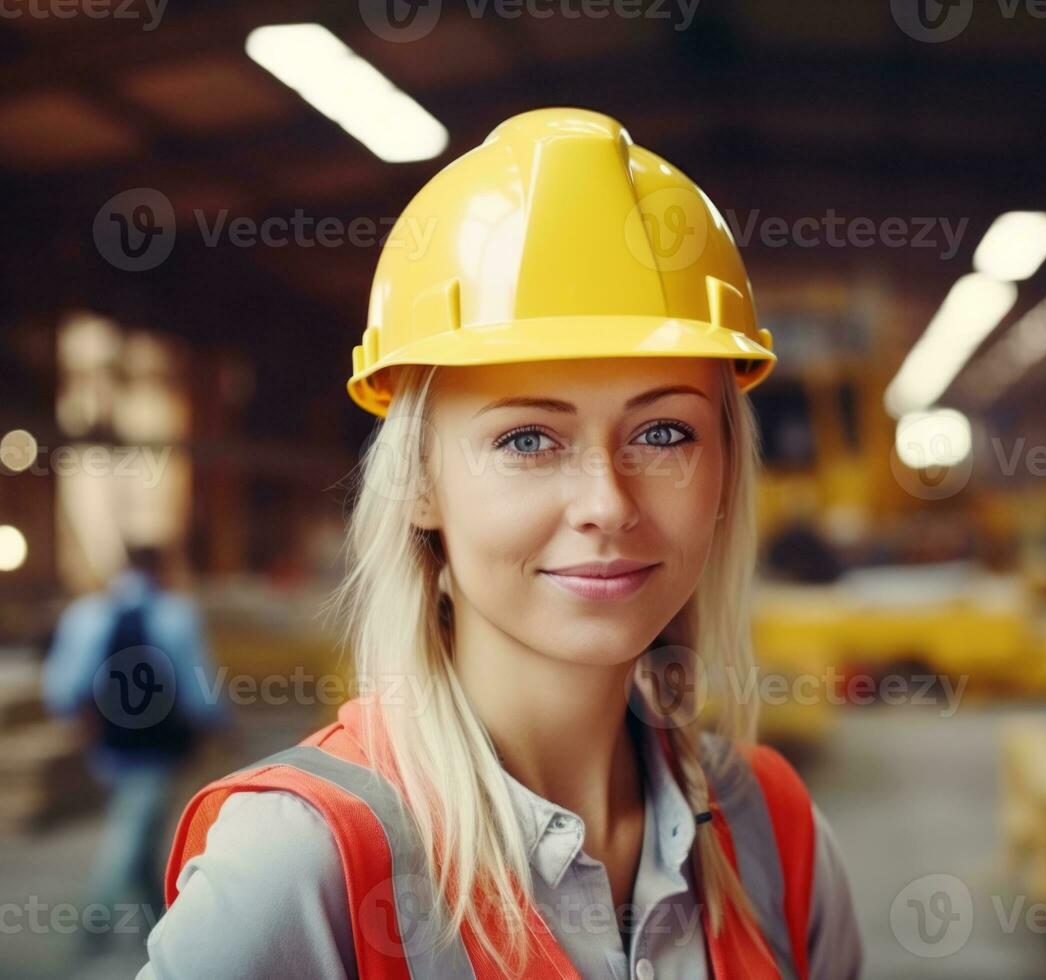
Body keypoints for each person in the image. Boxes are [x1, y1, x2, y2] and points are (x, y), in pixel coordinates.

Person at [137, 108, 863, 979]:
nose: (605, 503)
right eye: (526, 439)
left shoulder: (772, 832)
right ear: (419, 486)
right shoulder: (300, 869)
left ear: (724, 475)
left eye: (664, 433)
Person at [41, 544, 228, 952]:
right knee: (132, 826)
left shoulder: (87, 613)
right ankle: (97, 915)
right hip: (158, 743)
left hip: (107, 741)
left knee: (138, 818)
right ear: (160, 566)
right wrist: (218, 724)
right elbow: (198, 684)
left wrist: (78, 724)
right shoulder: (177, 614)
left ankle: (156, 916)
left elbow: (63, 686)